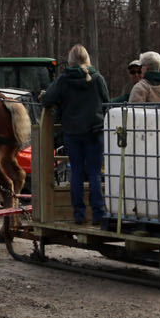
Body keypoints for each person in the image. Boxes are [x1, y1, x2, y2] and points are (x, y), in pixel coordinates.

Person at [41, 44, 110, 227]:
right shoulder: (97, 78)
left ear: (70, 60)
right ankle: (99, 213)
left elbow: (47, 99)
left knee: (77, 172)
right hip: (95, 131)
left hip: (72, 133)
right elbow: (106, 102)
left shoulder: (64, 80)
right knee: (95, 173)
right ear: (87, 58)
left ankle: (79, 214)